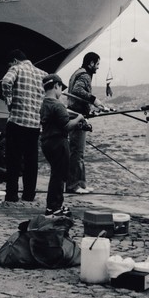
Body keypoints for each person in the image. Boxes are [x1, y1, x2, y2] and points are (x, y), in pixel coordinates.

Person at [1, 49, 48, 204]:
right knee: (31, 161)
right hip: (34, 125)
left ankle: (12, 195)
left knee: (13, 160)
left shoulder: (17, 68)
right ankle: (29, 194)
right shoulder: (42, 74)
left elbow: (6, 81)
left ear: (15, 61)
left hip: (17, 122)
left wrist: (9, 100)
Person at [40, 74, 85, 216]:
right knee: (59, 176)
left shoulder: (45, 104)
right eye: (61, 88)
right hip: (58, 143)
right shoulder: (57, 104)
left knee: (55, 174)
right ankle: (55, 207)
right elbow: (66, 126)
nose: (61, 92)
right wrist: (79, 118)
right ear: (56, 86)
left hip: (47, 143)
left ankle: (52, 206)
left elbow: (59, 118)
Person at [66, 52, 106, 194]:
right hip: (76, 117)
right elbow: (77, 90)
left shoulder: (78, 72)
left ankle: (81, 184)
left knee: (79, 153)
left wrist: (90, 110)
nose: (98, 67)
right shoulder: (85, 75)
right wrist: (94, 100)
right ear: (91, 63)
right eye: (97, 64)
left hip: (78, 115)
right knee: (76, 152)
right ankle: (73, 186)